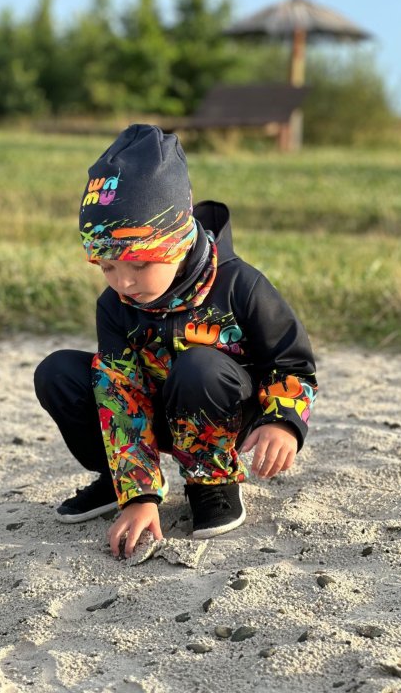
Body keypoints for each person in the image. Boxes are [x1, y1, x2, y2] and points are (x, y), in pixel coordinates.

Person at [33, 124, 318, 559]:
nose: (124, 282)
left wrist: (283, 422)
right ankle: (118, 480)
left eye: (139, 264)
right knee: (59, 372)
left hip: (221, 409)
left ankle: (211, 482)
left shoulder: (240, 285)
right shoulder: (115, 305)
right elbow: (120, 392)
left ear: (177, 242)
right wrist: (139, 494)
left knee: (198, 365)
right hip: (154, 414)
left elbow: (292, 364)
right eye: (106, 266)